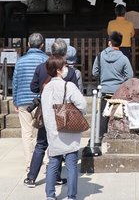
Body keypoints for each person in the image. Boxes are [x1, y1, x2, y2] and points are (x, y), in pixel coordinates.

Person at [24, 40, 80, 188]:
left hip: (45, 110)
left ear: (50, 51)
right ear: (65, 52)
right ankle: (56, 177)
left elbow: (33, 87)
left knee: (41, 144)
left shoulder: (42, 68)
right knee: (60, 145)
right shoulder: (69, 71)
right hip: (63, 111)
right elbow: (76, 92)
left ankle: (31, 177)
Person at [41, 55, 86, 200]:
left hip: (52, 129)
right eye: (64, 67)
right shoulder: (69, 86)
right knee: (71, 163)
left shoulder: (46, 88)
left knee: (53, 161)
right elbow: (83, 105)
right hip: (69, 129)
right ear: (59, 70)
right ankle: (71, 195)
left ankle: (50, 194)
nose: (67, 69)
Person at [11, 32, 46, 172]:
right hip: (41, 101)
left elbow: (15, 82)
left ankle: (29, 164)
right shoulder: (46, 60)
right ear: (42, 45)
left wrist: (15, 101)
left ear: (28, 44)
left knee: (27, 133)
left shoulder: (20, 61)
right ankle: (46, 160)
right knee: (43, 131)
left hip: (23, 100)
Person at [92, 31, 133, 138]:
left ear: (109, 42)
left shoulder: (100, 56)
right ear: (120, 43)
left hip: (104, 90)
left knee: (103, 116)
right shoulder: (123, 58)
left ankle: (99, 138)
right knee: (120, 115)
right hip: (118, 92)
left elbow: (94, 72)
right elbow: (130, 75)